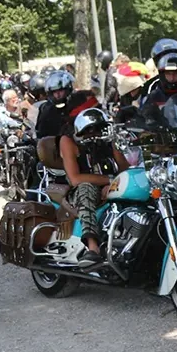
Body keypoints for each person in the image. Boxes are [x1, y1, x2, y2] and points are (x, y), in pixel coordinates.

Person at [58, 104, 129, 265]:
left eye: (100, 129)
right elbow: (75, 178)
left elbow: (124, 168)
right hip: (78, 190)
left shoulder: (108, 141)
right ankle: (92, 247)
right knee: (86, 189)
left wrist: (115, 145)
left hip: (109, 184)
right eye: (91, 130)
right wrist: (110, 181)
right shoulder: (68, 141)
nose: (96, 134)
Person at [36, 70, 75, 139]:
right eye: (54, 91)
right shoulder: (46, 110)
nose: (58, 94)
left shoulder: (76, 105)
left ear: (68, 89)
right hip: (53, 146)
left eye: (60, 90)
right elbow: (40, 134)